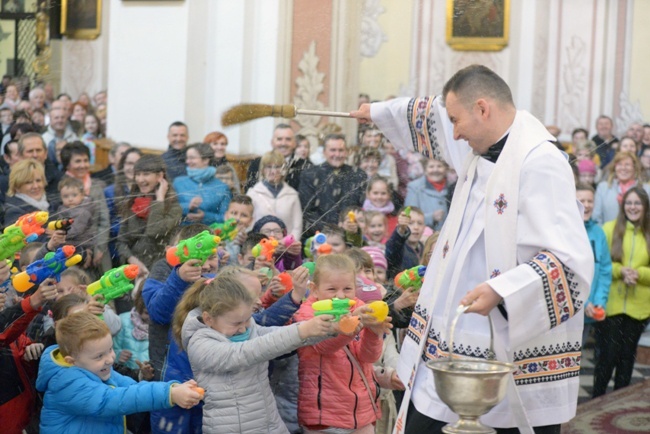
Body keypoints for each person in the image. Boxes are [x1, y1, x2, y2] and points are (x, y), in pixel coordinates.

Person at [351, 64, 593, 433]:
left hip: (501, 341)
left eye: (457, 120)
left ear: (483, 109)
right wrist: (378, 113)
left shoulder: (540, 162)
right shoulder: (477, 144)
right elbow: (431, 110)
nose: (454, 132)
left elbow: (569, 261)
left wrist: (502, 290)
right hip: (449, 334)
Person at [36, 311, 202, 434]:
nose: (110, 359)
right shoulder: (67, 384)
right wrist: (169, 395)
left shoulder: (94, 369)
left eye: (110, 350)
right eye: (99, 355)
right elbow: (116, 399)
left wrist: (174, 389)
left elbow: (131, 387)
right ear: (71, 360)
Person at [294, 254, 389, 433]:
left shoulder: (358, 306)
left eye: (347, 288)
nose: (340, 295)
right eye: (331, 289)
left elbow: (368, 357)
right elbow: (324, 346)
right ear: (314, 289)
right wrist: (353, 323)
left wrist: (374, 333)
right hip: (324, 415)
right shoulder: (306, 314)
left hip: (362, 411)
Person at [593, 186, 650, 397]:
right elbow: (599, 265)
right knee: (607, 358)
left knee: (627, 358)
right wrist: (620, 271)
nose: (632, 207)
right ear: (622, 205)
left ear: (645, 207)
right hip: (611, 305)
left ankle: (617, 405)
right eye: (629, 203)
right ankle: (594, 403)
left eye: (637, 203)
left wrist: (639, 274)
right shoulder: (608, 229)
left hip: (639, 308)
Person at [117, 154, 183, 275]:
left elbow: (154, 231)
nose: (140, 179)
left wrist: (159, 201)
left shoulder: (174, 208)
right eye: (137, 174)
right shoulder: (132, 203)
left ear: (160, 176)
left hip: (161, 271)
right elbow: (121, 242)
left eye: (146, 174)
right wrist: (132, 260)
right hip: (133, 271)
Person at [299, 133, 367, 237]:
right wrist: (331, 229)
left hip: (351, 235)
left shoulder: (358, 175)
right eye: (333, 150)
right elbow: (307, 211)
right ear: (324, 152)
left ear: (347, 152)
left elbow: (361, 207)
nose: (337, 154)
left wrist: (350, 225)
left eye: (341, 150)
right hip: (319, 235)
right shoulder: (310, 175)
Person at [575, 183, 611, 347]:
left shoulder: (598, 232)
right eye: (582, 200)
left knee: (576, 363)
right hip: (569, 313)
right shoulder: (566, 231)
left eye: (590, 201)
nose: (587, 205)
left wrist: (598, 301)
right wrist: (583, 302)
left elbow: (604, 270)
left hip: (590, 313)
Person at [247, 150, 303, 240]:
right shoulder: (253, 194)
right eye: (269, 167)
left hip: (286, 248)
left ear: (283, 170)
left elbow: (297, 227)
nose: (273, 171)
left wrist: (286, 244)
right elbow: (248, 225)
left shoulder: (292, 195)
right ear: (262, 169)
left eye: (277, 167)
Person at [173, 143, 231, 226]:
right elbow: (168, 209)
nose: (187, 161)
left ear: (205, 160)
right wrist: (188, 206)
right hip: (180, 232)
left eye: (192, 158)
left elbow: (225, 217)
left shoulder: (222, 187)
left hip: (209, 234)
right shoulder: (178, 182)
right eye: (187, 158)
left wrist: (205, 216)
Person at [245, 123, 312, 192]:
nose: (283, 143)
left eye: (288, 139)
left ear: (294, 143)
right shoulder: (256, 163)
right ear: (272, 142)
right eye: (279, 139)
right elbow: (249, 192)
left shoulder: (306, 166)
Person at [593, 152, 650, 224]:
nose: (623, 168)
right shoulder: (603, 188)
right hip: (608, 234)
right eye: (619, 164)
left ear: (634, 168)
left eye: (627, 165)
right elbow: (596, 217)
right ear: (615, 168)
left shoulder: (646, 189)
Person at [3, 158, 54, 225]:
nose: (35, 186)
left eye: (38, 180)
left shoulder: (53, 205)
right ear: (17, 186)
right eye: (28, 182)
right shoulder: (13, 211)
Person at [405, 158, 452, 230]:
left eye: (439, 166)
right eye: (431, 167)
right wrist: (431, 217)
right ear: (425, 169)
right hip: (423, 234)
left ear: (445, 169)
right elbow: (408, 215)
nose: (435, 170)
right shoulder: (415, 187)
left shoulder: (453, 187)